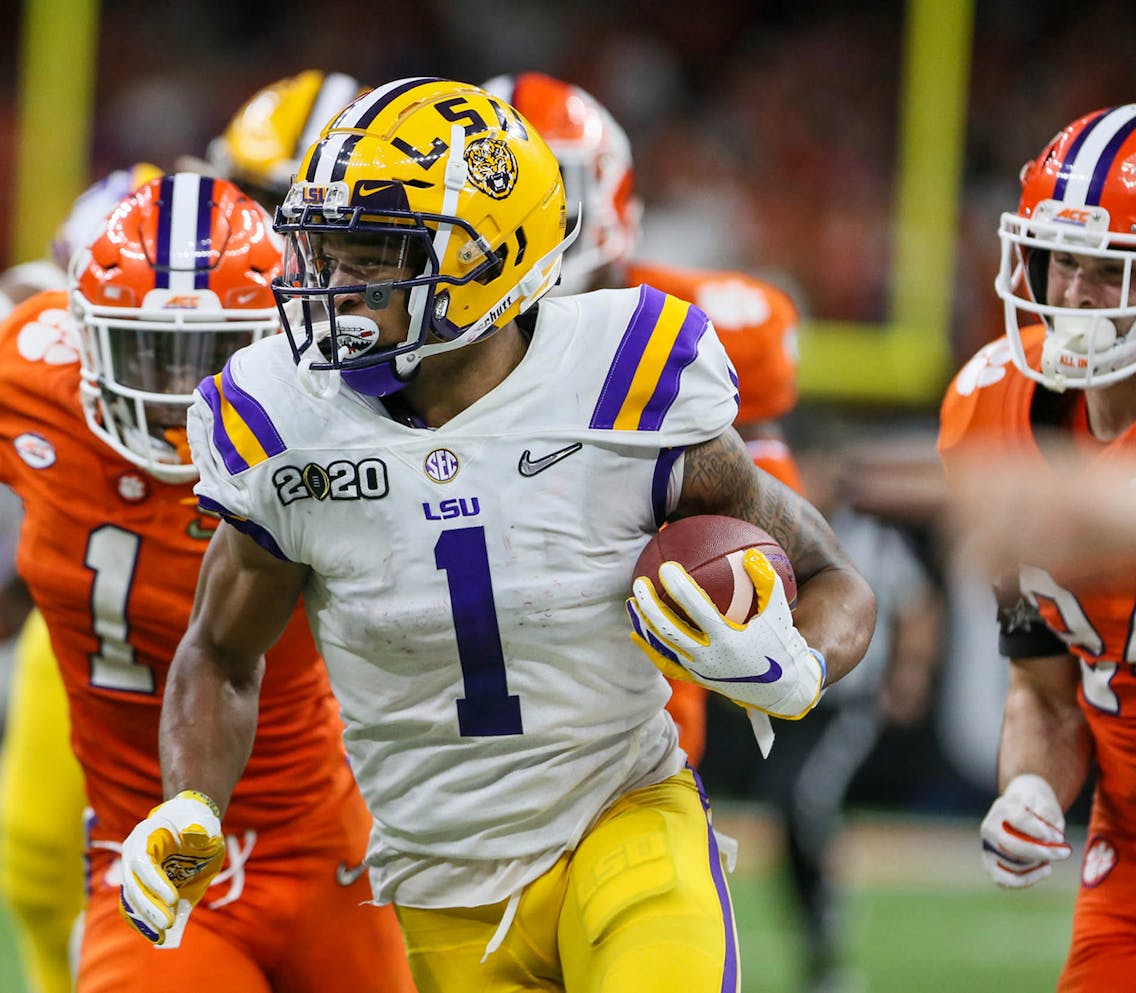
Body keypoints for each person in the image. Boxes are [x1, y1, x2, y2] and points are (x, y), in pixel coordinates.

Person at [117, 78, 875, 992]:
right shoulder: (281, 421)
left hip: (622, 820)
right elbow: (221, 653)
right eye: (324, 251)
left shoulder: (623, 378)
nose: (334, 288)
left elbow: (834, 575)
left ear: (493, 255)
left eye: (373, 255)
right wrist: (191, 803)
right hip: (441, 886)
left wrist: (798, 666)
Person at [0, 73, 362, 993]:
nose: (181, 392)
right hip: (112, 674)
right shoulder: (121, 259)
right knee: (34, 862)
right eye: (265, 199)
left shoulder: (353, 373)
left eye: (322, 226)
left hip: (308, 759)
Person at [483, 70, 806, 763]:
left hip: (632, 714)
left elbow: (778, 550)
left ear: (606, 195)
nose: (514, 217)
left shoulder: (684, 336)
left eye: (544, 187)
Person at [937, 104, 1136, 992]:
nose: (1075, 297)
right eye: (1063, 262)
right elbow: (1046, 690)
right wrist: (1029, 790)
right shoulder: (992, 408)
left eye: (1109, 271)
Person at [771, 442, 944, 993]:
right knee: (786, 805)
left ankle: (828, 917)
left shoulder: (872, 539)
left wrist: (910, 670)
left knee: (804, 800)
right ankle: (816, 917)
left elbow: (917, 605)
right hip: (795, 702)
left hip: (848, 703)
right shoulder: (774, 533)